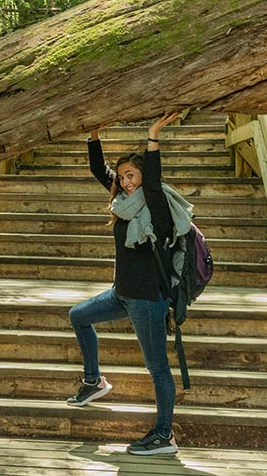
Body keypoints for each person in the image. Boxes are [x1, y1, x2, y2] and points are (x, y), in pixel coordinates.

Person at [66, 112, 193, 456]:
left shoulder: (157, 207)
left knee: (157, 369)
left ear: (143, 176)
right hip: (122, 294)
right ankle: (94, 381)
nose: (125, 181)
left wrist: (153, 135)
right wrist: (94, 133)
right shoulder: (122, 204)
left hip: (148, 300)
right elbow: (98, 170)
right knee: (78, 315)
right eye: (122, 176)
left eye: (131, 175)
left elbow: (152, 180)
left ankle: (164, 435)